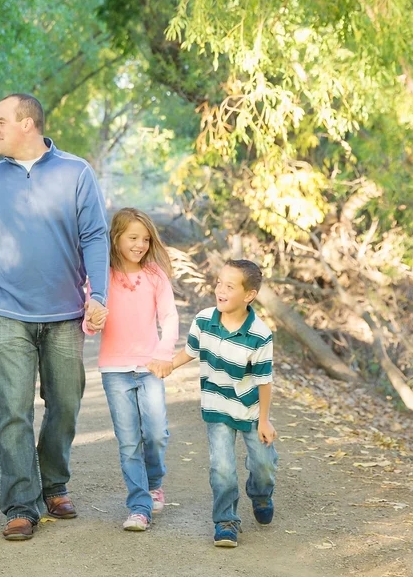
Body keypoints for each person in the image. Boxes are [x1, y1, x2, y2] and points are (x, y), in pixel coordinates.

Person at [0, 93, 110, 541]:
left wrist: (98, 295)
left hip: (65, 312)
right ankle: (20, 505)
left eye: (0, 121)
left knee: (65, 404)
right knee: (13, 411)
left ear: (27, 124)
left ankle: (53, 482)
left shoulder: (76, 172)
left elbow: (95, 237)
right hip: (7, 311)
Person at [151, 259, 276, 548]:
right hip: (217, 407)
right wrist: (169, 365)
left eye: (229, 286)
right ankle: (226, 521)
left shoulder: (259, 334)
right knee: (222, 468)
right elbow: (191, 351)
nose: (220, 289)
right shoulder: (205, 320)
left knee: (264, 466)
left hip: (250, 410)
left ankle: (260, 494)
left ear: (248, 296)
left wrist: (265, 420)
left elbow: (264, 381)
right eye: (219, 282)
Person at [86, 208, 178, 532]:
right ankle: (139, 506)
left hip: (150, 366)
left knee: (155, 433)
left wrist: (164, 353)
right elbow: (91, 319)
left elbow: (169, 318)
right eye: (133, 238)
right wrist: (91, 322)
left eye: (145, 239)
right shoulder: (103, 278)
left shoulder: (155, 276)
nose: (140, 244)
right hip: (115, 370)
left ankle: (154, 482)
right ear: (117, 238)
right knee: (128, 441)